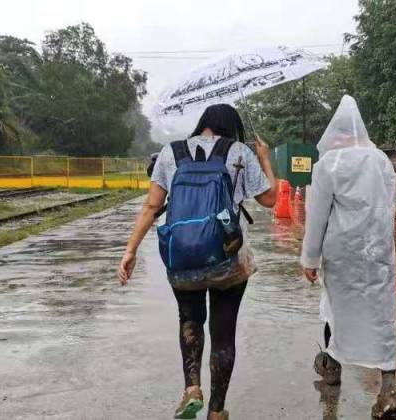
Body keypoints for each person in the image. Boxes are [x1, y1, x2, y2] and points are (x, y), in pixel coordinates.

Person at [118, 104, 277, 420]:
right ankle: (217, 411)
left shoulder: (171, 152)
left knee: (189, 320)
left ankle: (192, 388)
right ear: (232, 127)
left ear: (203, 123)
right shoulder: (238, 152)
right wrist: (265, 159)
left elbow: (151, 207)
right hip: (228, 258)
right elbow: (270, 199)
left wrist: (130, 250)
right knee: (223, 333)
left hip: (183, 257)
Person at [300, 95, 396, 419]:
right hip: (378, 252)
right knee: (383, 317)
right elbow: (389, 209)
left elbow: (317, 217)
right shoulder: (382, 161)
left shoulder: (329, 165)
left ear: (336, 133)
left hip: (342, 255)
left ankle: (332, 367)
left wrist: (310, 259)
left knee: (336, 309)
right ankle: (387, 392)